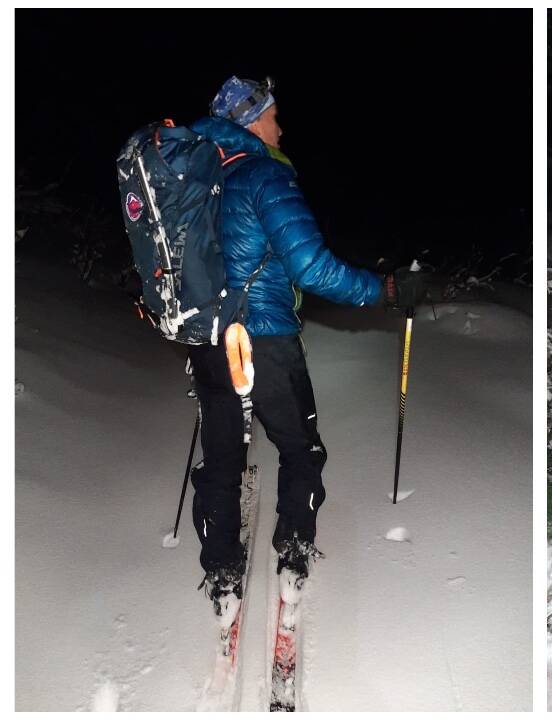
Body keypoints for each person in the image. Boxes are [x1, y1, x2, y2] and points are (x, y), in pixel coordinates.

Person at [186, 76, 422, 609]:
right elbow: (313, 267)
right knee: (300, 448)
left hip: (208, 343)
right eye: (273, 114)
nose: (280, 124)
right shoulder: (264, 176)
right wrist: (383, 290)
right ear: (251, 121)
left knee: (222, 460)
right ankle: (293, 548)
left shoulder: (197, 184)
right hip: (265, 341)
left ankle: (221, 572)